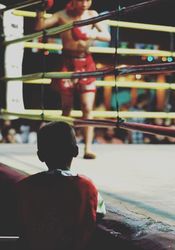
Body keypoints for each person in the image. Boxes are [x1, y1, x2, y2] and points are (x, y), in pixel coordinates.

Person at [35, 0, 111, 159]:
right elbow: (39, 27)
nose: (85, 3)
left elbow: (107, 36)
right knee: (67, 108)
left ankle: (88, 148)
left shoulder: (92, 15)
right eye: (81, 0)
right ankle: (65, 147)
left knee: (87, 108)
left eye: (88, 0)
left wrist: (92, 34)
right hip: (67, 63)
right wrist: (40, 11)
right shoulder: (62, 15)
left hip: (86, 63)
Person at [16, 121, 106, 250]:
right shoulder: (87, 187)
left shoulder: (24, 187)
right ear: (75, 151)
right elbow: (99, 212)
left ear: (40, 156)